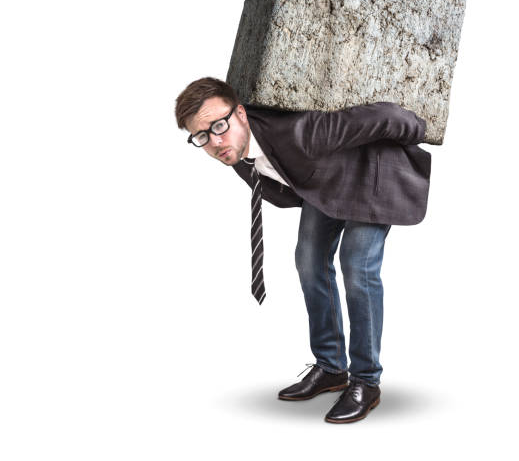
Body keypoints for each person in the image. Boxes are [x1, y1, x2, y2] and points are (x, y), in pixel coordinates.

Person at [174, 76, 431, 423]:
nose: (215, 141)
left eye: (220, 125)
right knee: (309, 260)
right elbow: (281, 186)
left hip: (371, 174)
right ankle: (330, 368)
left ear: (241, 113)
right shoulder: (233, 153)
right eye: (201, 136)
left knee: (357, 265)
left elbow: (383, 114)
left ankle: (366, 381)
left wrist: (420, 129)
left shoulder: (300, 132)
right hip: (326, 180)